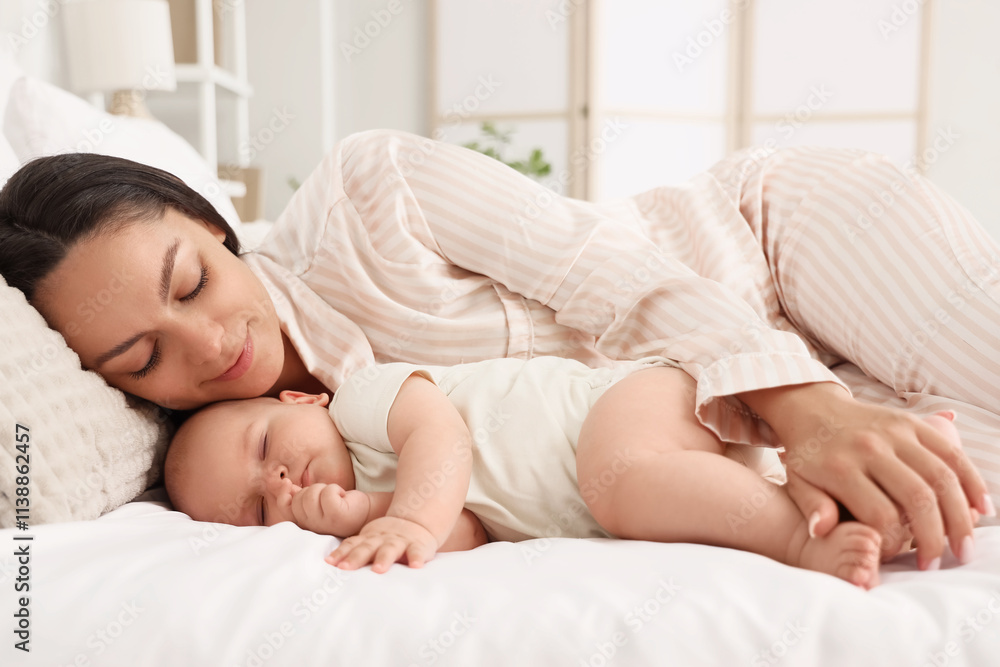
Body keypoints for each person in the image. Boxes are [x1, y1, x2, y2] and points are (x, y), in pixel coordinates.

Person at [0, 130, 997, 575]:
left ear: (213, 225)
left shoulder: (368, 196)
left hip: (763, 255)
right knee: (952, 492)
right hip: (734, 436)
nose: (211, 346)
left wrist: (807, 407)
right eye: (142, 358)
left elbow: (623, 280)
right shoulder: (223, 467)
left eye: (192, 284)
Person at [164, 353, 971, 588]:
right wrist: (364, 518)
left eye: (266, 447)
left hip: (620, 402)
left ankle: (797, 539)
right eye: (257, 508)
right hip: (657, 472)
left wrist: (404, 516)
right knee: (635, 490)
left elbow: (439, 444)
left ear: (300, 398)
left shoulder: (365, 398)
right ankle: (837, 495)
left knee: (620, 481)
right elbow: (470, 526)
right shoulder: (380, 496)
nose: (278, 484)